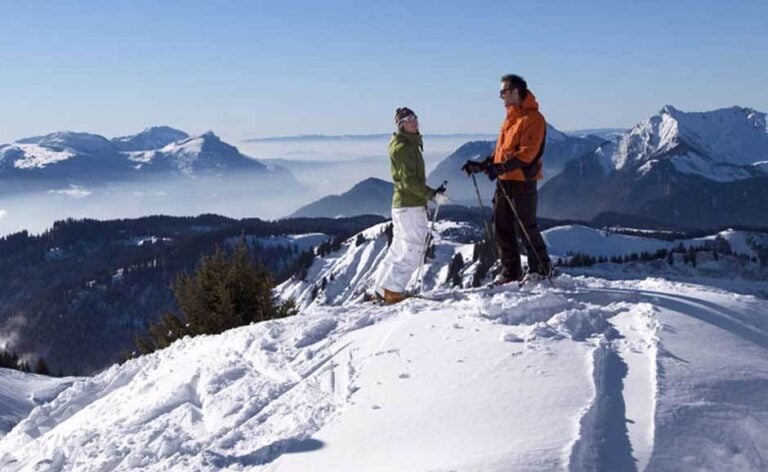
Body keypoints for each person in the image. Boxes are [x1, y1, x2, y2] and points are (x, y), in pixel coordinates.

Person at [461, 74, 551, 284]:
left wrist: (500, 167)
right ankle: (511, 271)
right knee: (501, 225)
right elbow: (502, 151)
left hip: (522, 181)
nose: (501, 96)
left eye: (504, 91)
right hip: (505, 180)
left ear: (516, 91)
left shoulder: (533, 119)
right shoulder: (511, 118)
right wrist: (483, 165)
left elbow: (528, 153)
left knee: (525, 225)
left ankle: (541, 269)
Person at [374, 107, 448, 304]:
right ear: (401, 124)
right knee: (414, 249)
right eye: (408, 119)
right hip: (410, 205)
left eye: (415, 117)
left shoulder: (406, 144)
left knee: (398, 248)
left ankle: (382, 288)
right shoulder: (405, 148)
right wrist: (432, 195)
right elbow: (409, 182)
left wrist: (431, 193)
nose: (414, 121)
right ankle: (392, 290)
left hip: (402, 205)